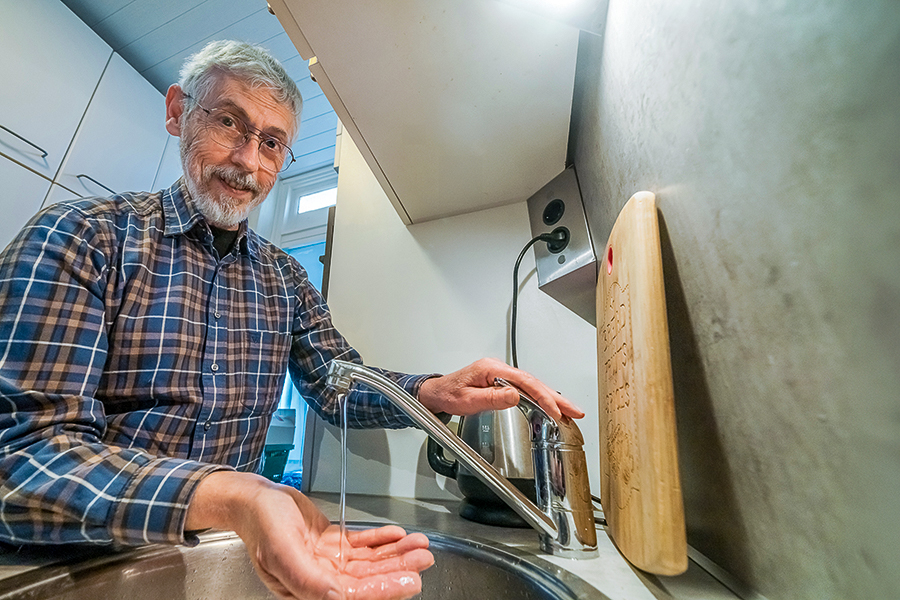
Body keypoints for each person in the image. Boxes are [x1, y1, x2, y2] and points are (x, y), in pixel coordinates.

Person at [0, 40, 584, 600]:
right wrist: (233, 495)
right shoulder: (81, 238)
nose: (248, 162)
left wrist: (433, 391)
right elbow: (21, 456)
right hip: (80, 560)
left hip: (230, 552)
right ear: (179, 113)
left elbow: (336, 385)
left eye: (273, 142)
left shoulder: (285, 280)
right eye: (229, 122)